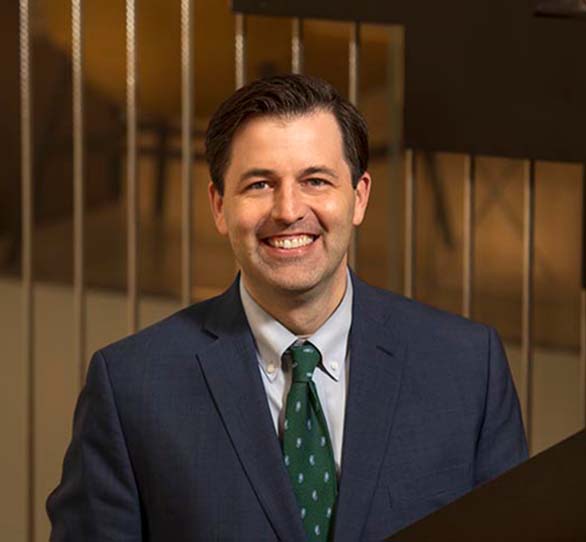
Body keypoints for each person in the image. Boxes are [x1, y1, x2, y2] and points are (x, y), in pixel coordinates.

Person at [47, 74, 528, 542]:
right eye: (259, 184)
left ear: (359, 197)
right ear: (218, 205)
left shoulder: (468, 368)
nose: (288, 209)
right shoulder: (132, 388)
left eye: (316, 180)